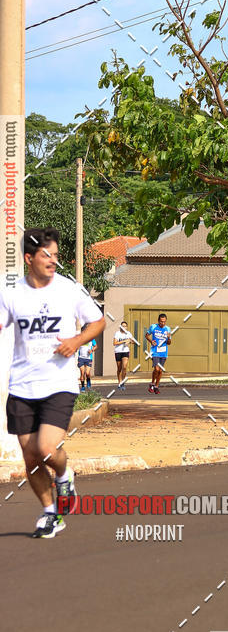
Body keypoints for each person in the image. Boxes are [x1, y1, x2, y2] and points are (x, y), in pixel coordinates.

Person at [0, 228, 105, 538]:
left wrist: (76, 340)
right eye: (46, 255)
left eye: (56, 255)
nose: (53, 261)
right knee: (30, 456)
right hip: (21, 385)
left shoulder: (68, 290)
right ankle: (50, 512)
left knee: (46, 448)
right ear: (28, 258)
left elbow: (97, 320)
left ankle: (63, 474)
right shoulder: (11, 292)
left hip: (58, 383)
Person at [145, 313, 172, 394]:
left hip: (163, 352)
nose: (162, 323)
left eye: (164, 322)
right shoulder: (153, 327)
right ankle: (152, 383)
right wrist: (151, 341)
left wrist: (168, 337)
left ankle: (156, 386)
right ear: (158, 321)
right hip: (155, 351)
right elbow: (146, 335)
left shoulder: (168, 329)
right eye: (161, 321)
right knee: (156, 369)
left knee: (160, 371)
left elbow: (169, 343)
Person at [113, 319, 134, 386]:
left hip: (125, 351)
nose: (124, 327)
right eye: (122, 326)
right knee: (119, 368)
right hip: (118, 351)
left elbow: (133, 341)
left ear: (127, 327)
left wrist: (130, 341)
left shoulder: (128, 333)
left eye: (125, 326)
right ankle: (119, 381)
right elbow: (114, 343)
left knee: (124, 367)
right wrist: (124, 341)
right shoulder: (117, 333)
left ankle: (123, 382)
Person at [76, 326, 96, 392]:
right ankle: (82, 387)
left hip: (88, 358)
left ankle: (88, 382)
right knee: (82, 373)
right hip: (81, 358)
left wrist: (92, 350)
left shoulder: (91, 338)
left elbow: (95, 346)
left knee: (87, 373)